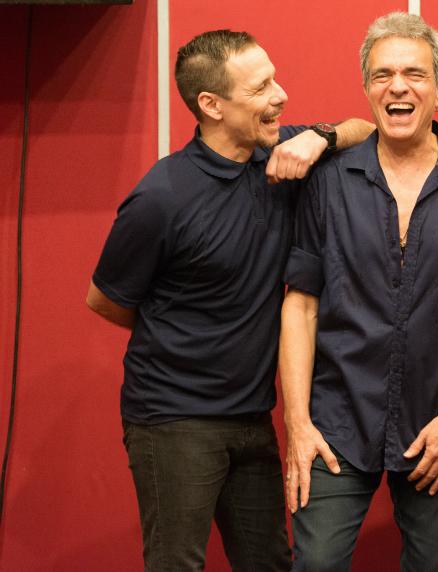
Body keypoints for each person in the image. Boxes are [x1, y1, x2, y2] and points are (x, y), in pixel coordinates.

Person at [86, 28, 372, 571]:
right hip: (174, 419)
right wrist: (184, 335)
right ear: (211, 105)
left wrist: (321, 137)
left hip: (252, 416)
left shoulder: (281, 155)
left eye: (274, 79)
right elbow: (105, 300)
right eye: (261, 88)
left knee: (270, 563)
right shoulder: (162, 196)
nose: (280, 95)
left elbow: (366, 129)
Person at [279, 11, 438, 572]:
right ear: (366, 88)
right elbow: (301, 305)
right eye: (382, 75)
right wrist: (298, 424)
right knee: (316, 564)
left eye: (414, 73)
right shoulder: (328, 181)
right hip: (336, 421)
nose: (398, 86)